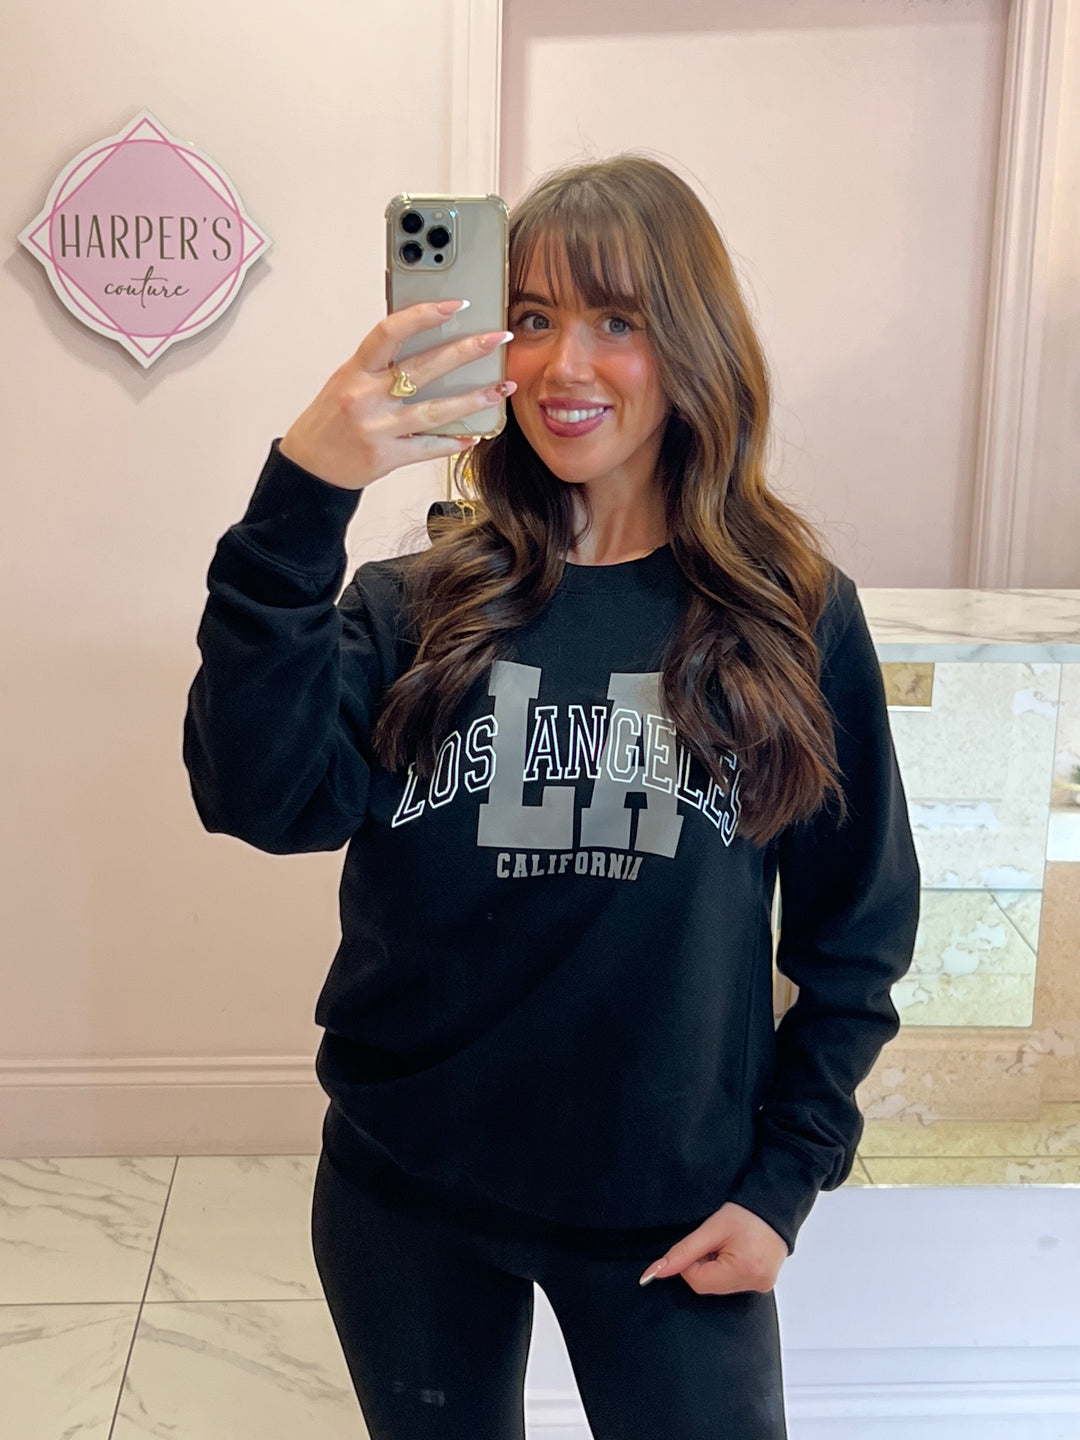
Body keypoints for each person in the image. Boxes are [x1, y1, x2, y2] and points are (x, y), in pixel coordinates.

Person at [183, 153, 921, 1440]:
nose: (564, 364)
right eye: (529, 317)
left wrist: (786, 1181)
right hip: (407, 1196)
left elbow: (855, 933)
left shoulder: (791, 616)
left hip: (674, 1210)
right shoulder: (416, 605)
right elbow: (258, 796)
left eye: (616, 319)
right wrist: (308, 487)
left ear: (689, 343)